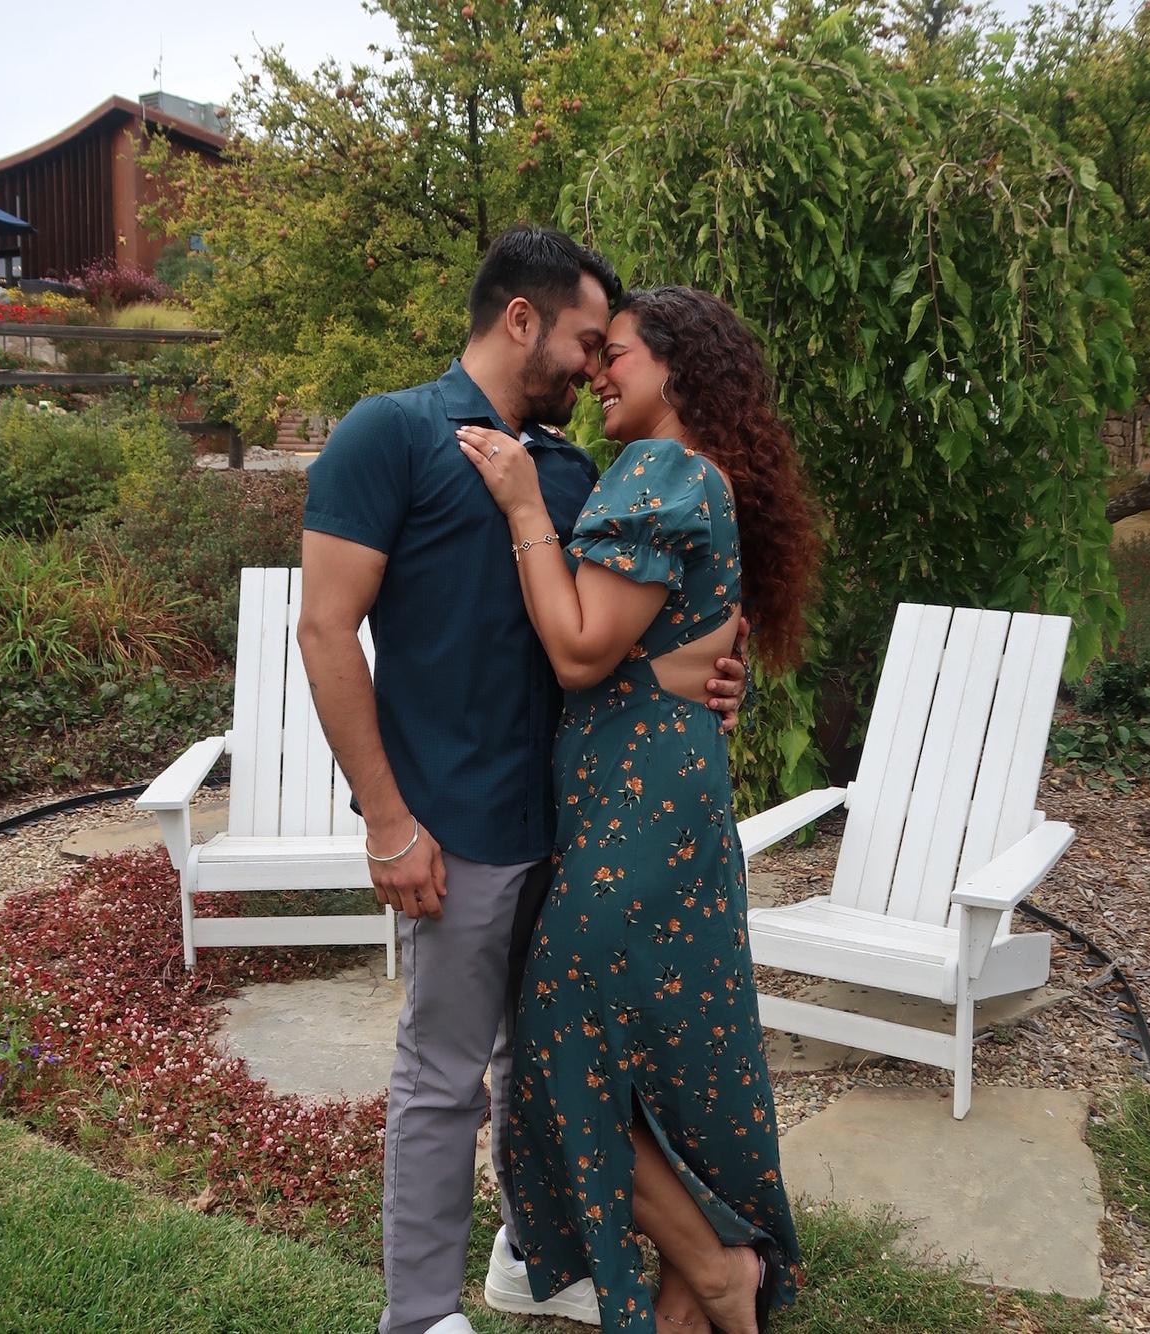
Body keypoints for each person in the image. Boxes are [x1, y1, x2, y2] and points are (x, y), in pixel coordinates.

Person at [298, 229, 749, 1334]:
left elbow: (606, 631)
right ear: (518, 320)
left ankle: (530, 1259)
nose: (594, 367)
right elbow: (323, 630)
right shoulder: (389, 433)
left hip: (579, 826)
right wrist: (389, 820)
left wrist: (707, 675)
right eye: (585, 340)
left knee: (553, 1070)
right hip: (456, 826)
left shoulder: (562, 470)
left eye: (611, 350)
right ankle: (415, 1314)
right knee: (445, 1072)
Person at [455, 285, 819, 1333]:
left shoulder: (658, 470)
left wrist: (526, 504)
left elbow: (578, 649)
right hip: (661, 795)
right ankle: (699, 1286)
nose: (595, 373)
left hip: (638, 815)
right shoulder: (698, 476)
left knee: (564, 1038)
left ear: (676, 366)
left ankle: (710, 1264)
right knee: (663, 1045)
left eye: (614, 354)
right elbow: (659, 650)